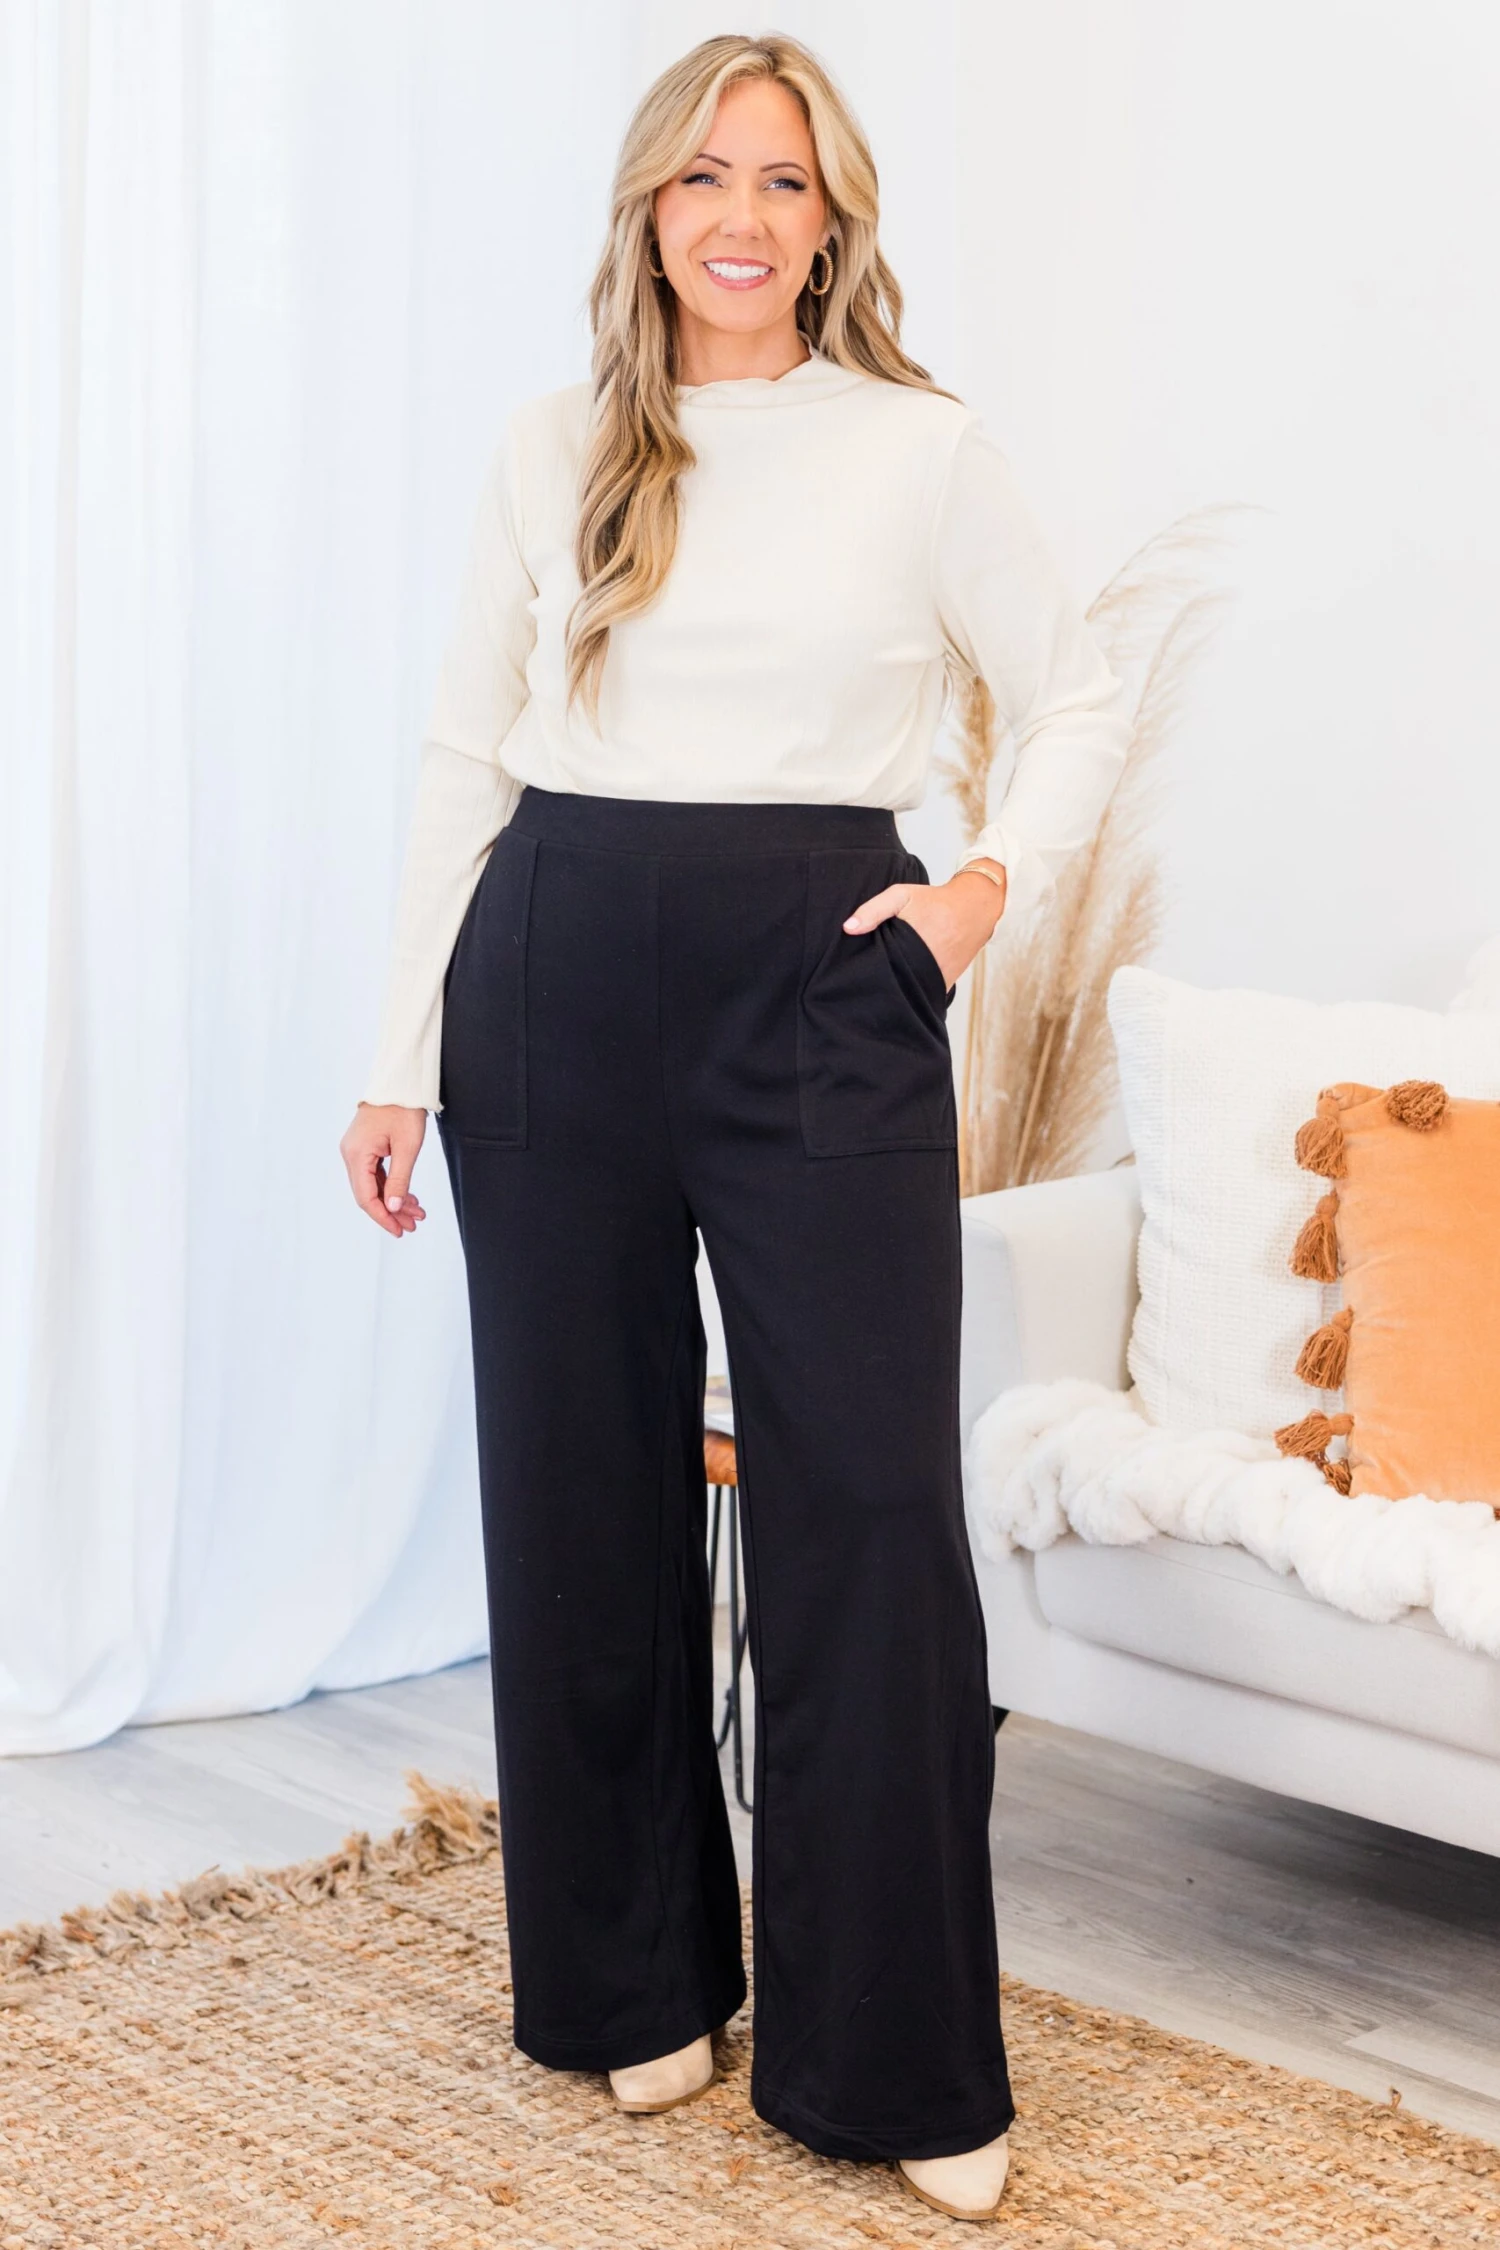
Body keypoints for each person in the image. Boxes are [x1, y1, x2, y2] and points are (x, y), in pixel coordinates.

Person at [339, 31, 1131, 2227]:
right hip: (551, 969)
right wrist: (397, 1053)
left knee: (866, 1509)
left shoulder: (921, 449)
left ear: (835, 218)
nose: (742, 218)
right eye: (703, 178)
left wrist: (972, 902)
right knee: (579, 1498)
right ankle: (632, 1984)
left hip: (824, 970)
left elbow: (1077, 691)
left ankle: (893, 2054)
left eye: (783, 181)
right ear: (648, 210)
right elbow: (465, 749)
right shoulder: (556, 444)